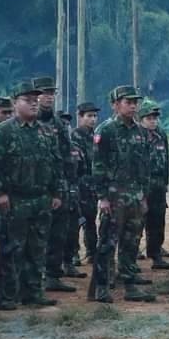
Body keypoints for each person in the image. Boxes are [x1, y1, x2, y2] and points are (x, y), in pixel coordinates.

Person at [0, 82, 62, 312]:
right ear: (15, 102)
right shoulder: (3, 132)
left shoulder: (46, 131)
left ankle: (33, 292)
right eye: (28, 100)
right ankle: (7, 296)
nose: (34, 104)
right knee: (11, 249)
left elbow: (55, 163)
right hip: (13, 199)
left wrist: (56, 192)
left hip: (40, 199)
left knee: (37, 248)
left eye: (36, 100)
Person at [88, 85, 156, 303]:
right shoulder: (105, 130)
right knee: (107, 242)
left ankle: (130, 284)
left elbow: (144, 166)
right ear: (115, 105)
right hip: (114, 195)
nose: (133, 106)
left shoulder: (140, 132)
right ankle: (100, 286)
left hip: (135, 196)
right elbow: (97, 166)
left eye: (135, 102)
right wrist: (103, 197)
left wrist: (143, 196)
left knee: (132, 242)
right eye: (128, 102)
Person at [32, 76, 77, 294]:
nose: (48, 97)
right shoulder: (27, 123)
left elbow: (67, 156)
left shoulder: (59, 124)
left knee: (58, 233)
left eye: (51, 93)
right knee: (35, 235)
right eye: (43, 92)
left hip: (58, 187)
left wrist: (67, 184)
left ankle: (52, 275)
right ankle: (31, 277)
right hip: (34, 189)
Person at [139, 101, 169, 271]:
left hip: (158, 184)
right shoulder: (136, 136)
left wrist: (166, 182)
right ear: (141, 119)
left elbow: (166, 160)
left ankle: (156, 254)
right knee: (137, 221)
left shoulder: (161, 135)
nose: (153, 121)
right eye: (149, 118)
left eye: (155, 118)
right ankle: (132, 256)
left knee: (158, 220)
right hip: (141, 185)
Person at [70, 102, 99, 268]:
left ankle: (91, 252)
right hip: (80, 183)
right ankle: (74, 253)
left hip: (93, 184)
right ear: (80, 117)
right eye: (89, 116)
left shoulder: (95, 136)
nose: (92, 119)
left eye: (94, 116)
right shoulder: (75, 136)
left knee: (91, 219)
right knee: (76, 220)